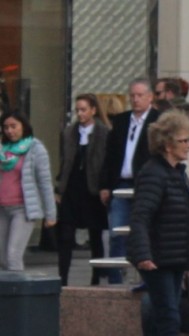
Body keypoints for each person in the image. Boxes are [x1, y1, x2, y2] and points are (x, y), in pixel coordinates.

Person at [126, 110, 189, 336]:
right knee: (169, 318)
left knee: (163, 320)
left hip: (172, 258)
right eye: (184, 140)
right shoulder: (155, 173)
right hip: (156, 259)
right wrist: (143, 254)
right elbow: (141, 216)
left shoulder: (175, 173)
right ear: (168, 144)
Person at [100, 77, 160, 284]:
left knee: (145, 232)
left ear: (150, 97)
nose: (135, 100)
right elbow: (109, 155)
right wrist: (106, 185)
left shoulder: (158, 121)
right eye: (132, 95)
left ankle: (147, 278)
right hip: (121, 183)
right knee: (117, 232)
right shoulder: (121, 121)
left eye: (140, 95)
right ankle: (115, 279)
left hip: (145, 185)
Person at [55, 94, 110, 285]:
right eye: (78, 109)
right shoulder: (69, 132)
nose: (80, 113)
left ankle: (96, 277)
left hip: (92, 189)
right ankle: (62, 278)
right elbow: (65, 162)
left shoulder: (104, 133)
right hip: (72, 187)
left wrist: (105, 186)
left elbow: (104, 163)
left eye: (84, 109)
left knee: (95, 235)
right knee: (66, 235)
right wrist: (59, 187)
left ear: (93, 110)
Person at [0, 111, 56, 271]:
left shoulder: (35, 148)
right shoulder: (4, 149)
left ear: (23, 126)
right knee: (2, 258)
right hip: (2, 209)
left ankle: (18, 293)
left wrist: (50, 214)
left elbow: (44, 182)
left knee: (13, 256)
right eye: (5, 127)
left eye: (13, 126)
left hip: (23, 209)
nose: (10, 131)